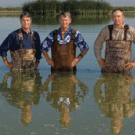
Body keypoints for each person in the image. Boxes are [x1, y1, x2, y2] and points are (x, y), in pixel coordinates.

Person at [94, 8, 135, 73]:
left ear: (123, 17)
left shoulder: (130, 30)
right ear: (112, 18)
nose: (116, 18)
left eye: (118, 16)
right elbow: (97, 45)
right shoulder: (106, 30)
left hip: (125, 71)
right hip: (107, 70)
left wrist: (134, 62)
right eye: (114, 16)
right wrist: (99, 59)